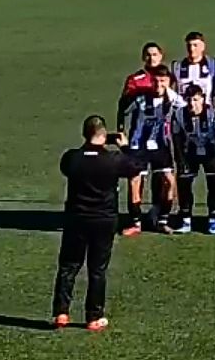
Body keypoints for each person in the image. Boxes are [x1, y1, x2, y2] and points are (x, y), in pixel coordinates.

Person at [52, 115, 145, 331]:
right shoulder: (113, 159)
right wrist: (125, 146)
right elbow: (136, 166)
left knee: (68, 267)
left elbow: (67, 167)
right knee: (97, 269)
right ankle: (94, 316)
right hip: (103, 220)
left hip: (76, 218)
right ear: (104, 135)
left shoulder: (71, 158)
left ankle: (61, 312)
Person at [121, 65, 185, 235]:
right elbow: (123, 109)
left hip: (160, 146)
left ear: (169, 82)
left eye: (163, 81)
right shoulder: (140, 99)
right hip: (138, 146)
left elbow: (187, 108)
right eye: (156, 81)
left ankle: (163, 220)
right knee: (135, 182)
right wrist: (121, 132)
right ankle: (135, 222)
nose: (159, 84)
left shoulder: (172, 99)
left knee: (169, 181)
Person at [171, 84, 215, 235]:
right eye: (189, 100)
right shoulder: (179, 114)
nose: (192, 104)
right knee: (184, 183)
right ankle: (186, 219)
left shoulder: (212, 114)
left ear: (202, 99)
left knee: (214, 185)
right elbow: (176, 138)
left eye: (195, 100)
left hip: (210, 152)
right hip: (190, 153)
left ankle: (214, 219)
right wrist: (180, 159)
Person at [172, 31, 215, 100]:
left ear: (203, 47)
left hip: (206, 107)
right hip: (183, 107)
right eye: (189, 45)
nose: (191, 49)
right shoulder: (177, 66)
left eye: (195, 45)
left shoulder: (213, 65)